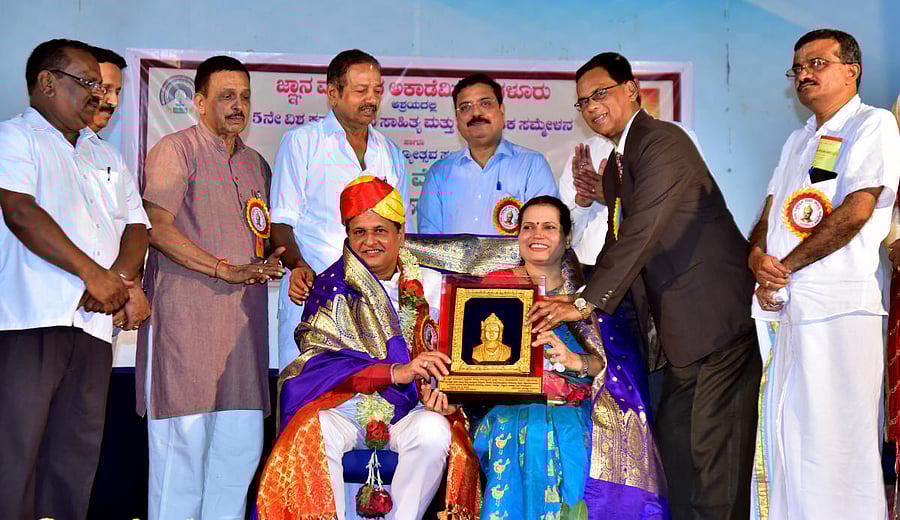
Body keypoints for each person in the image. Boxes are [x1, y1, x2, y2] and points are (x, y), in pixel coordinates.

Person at [529, 52, 761, 519]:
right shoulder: (618, 165)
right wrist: (578, 302)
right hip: (675, 340)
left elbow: (640, 234)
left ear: (632, 90)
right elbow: (619, 246)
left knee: (713, 466)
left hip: (715, 326)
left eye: (600, 93)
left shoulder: (662, 142)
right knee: (675, 457)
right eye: (583, 102)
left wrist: (582, 303)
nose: (592, 107)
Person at [256, 176, 481, 519]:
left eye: (380, 230)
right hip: (346, 408)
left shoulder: (432, 286)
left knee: (435, 431)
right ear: (348, 236)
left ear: (401, 235)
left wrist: (445, 395)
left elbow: (457, 359)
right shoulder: (331, 288)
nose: (369, 241)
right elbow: (317, 364)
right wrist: (395, 372)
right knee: (312, 430)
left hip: (410, 408)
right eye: (359, 232)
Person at [749, 29, 900, 519]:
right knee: (790, 442)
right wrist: (757, 259)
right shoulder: (798, 140)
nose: (804, 75)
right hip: (790, 310)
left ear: (851, 71)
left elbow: (857, 209)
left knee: (838, 446)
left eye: (817, 63)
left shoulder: (872, 124)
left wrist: (784, 267)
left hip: (840, 308)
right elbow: (769, 214)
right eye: (798, 68)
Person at [0, 38, 149, 520]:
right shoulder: (14, 138)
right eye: (87, 83)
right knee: (14, 458)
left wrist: (118, 283)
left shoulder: (105, 155)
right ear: (47, 82)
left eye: (102, 87)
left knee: (74, 462)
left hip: (94, 328)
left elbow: (137, 227)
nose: (99, 95)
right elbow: (20, 212)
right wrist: (92, 275)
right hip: (29, 322)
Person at [137, 55, 286, 520]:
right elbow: (156, 229)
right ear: (199, 102)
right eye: (226, 97)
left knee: (237, 461)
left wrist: (283, 261)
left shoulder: (256, 164)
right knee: (180, 464)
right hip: (186, 331)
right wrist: (224, 270)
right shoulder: (175, 150)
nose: (238, 106)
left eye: (244, 97)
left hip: (242, 341)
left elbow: (266, 236)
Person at [473, 196, 667, 519]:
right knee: (530, 430)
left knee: (572, 435)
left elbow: (613, 365)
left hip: (579, 406)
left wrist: (574, 361)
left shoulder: (591, 294)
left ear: (566, 238)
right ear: (517, 236)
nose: (537, 234)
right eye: (528, 227)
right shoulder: (494, 287)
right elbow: (470, 361)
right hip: (508, 406)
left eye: (548, 227)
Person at [270, 49, 409, 370]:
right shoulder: (301, 142)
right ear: (333, 93)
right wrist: (298, 265)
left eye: (376, 90)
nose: (371, 99)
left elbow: (402, 234)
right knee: (310, 394)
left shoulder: (390, 153)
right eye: (361, 91)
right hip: (315, 296)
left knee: (373, 396)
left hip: (378, 307)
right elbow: (280, 223)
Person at [417, 73, 558, 236]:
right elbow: (430, 241)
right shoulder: (439, 174)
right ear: (457, 118)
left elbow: (543, 236)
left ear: (501, 110)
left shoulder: (532, 165)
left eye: (485, 103)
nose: (476, 113)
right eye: (465, 107)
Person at [86, 46, 126, 134]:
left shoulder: (101, 144)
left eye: (117, 92)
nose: (114, 102)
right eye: (104, 89)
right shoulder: (53, 141)